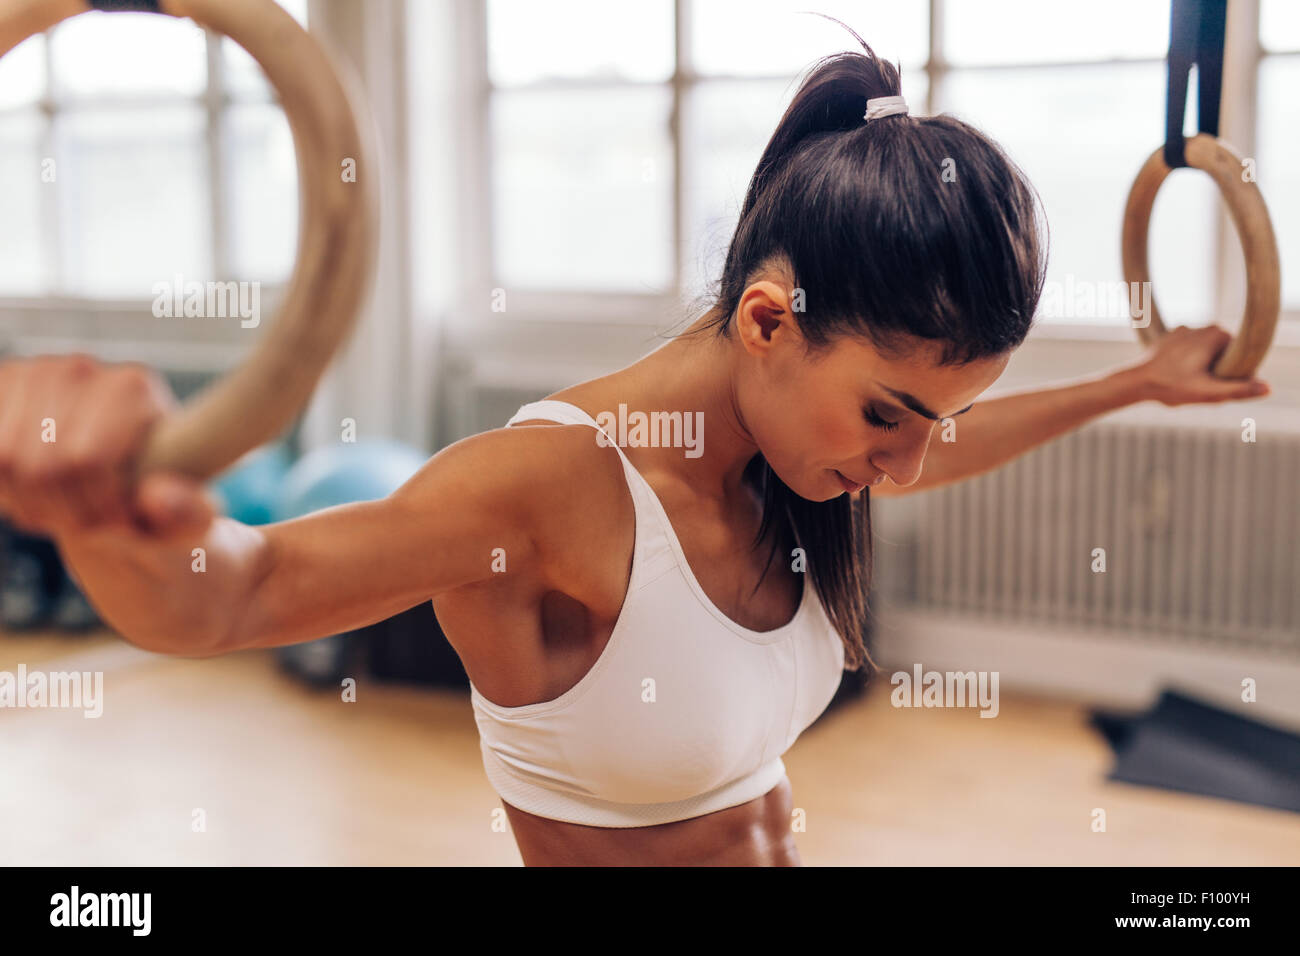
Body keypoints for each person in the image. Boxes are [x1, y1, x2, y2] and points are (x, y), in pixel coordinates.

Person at [0, 27, 1269, 867]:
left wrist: (1134, 384)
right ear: (770, 320)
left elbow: (961, 437)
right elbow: (243, 593)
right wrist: (101, 513)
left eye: (931, 420)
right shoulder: (546, 488)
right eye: (890, 415)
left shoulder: (797, 452)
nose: (915, 462)